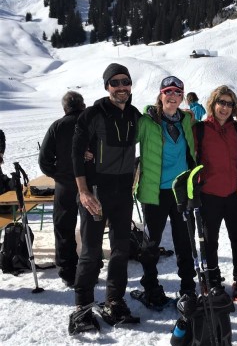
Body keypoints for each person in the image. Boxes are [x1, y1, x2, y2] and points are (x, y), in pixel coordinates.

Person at [69, 63, 141, 334]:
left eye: (125, 82)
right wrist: (83, 190)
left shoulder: (134, 114)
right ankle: (82, 307)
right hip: (96, 192)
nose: (121, 87)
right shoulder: (92, 114)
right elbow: (76, 153)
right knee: (90, 252)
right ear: (107, 86)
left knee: (121, 249)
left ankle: (114, 300)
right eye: (115, 83)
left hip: (122, 193)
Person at [135, 75, 197, 308]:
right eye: (168, 92)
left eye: (177, 93)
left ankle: (188, 287)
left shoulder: (187, 120)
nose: (172, 96)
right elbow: (123, 142)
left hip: (180, 191)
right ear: (160, 95)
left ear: (182, 97)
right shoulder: (146, 122)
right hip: (155, 193)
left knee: (184, 241)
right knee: (151, 242)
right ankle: (150, 286)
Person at [193, 85, 237, 300]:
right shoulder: (200, 130)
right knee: (210, 241)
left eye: (230, 104)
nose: (225, 108)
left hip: (233, 194)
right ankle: (211, 280)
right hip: (209, 194)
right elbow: (192, 159)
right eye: (221, 102)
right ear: (213, 104)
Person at [38, 91, 86, 288]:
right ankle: (91, 266)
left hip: (65, 185)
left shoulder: (57, 126)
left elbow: (44, 161)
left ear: (65, 108)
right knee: (89, 227)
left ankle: (68, 272)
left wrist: (59, 174)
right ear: (82, 105)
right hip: (90, 185)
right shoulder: (91, 123)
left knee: (64, 227)